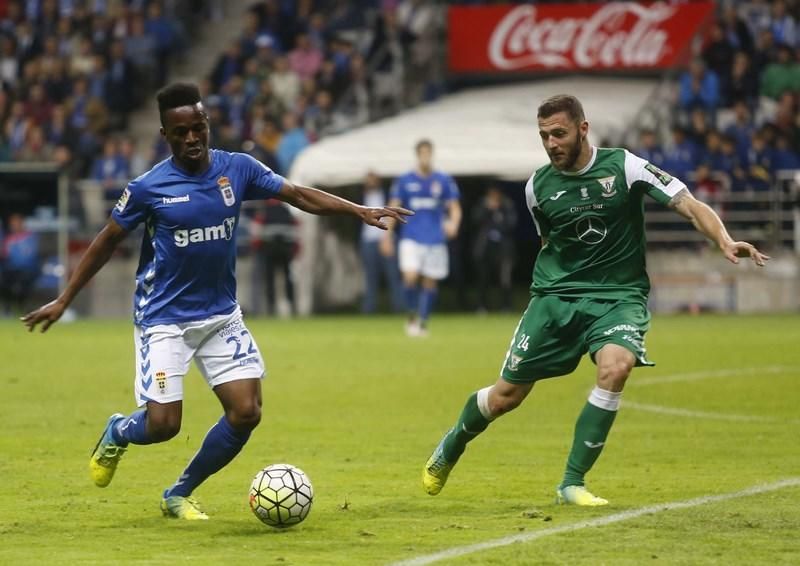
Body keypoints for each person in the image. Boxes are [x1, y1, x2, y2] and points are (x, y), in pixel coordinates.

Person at [21, 83, 411, 520]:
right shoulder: (148, 188)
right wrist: (64, 298)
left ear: (208, 125)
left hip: (221, 316)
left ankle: (178, 493)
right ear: (167, 136)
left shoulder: (237, 169)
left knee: (247, 412)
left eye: (199, 127)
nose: (192, 138)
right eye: (181, 131)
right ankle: (118, 430)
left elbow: (297, 194)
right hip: (163, 319)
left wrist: (356, 210)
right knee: (164, 426)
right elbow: (106, 241)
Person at [421, 94, 768, 506]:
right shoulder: (537, 187)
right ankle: (453, 443)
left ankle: (571, 482)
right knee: (505, 397)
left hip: (618, 297)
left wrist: (724, 240)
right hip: (556, 297)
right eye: (544, 136)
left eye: (559, 133)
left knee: (616, 367)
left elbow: (687, 204)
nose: (551, 143)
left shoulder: (625, 166)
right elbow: (548, 240)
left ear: (583, 129)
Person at [382, 139, 461, 336]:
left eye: (428, 153)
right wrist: (387, 235)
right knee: (410, 276)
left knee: (430, 282)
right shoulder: (405, 180)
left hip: (435, 238)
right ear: (417, 155)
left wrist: (453, 223)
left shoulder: (443, 180)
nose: (425, 157)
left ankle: (423, 322)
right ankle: (411, 315)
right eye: (422, 153)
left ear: (431, 154)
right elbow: (393, 207)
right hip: (411, 236)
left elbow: (455, 208)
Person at [359, 171, 404, 314]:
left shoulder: (387, 195)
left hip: (386, 239)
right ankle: (369, 309)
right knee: (370, 277)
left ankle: (398, 307)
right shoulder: (360, 197)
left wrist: (390, 238)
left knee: (393, 275)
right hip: (368, 241)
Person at [471, 185, 517, 312]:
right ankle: (481, 306)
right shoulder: (482, 205)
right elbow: (475, 220)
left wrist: (499, 214)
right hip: (485, 247)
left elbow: (512, 224)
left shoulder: (507, 205)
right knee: (483, 278)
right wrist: (488, 209)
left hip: (503, 247)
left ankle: (506, 306)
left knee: (505, 278)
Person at [251, 199, 298, 316]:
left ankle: (271, 307)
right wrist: (295, 248)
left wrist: (257, 248)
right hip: (285, 250)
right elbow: (296, 230)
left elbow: (257, 232)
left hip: (269, 250)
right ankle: (291, 306)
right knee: (287, 278)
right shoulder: (286, 211)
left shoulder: (264, 212)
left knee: (270, 279)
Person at [1, 213, 40, 315]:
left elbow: (31, 255)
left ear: (22, 223)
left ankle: (22, 308)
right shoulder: (8, 239)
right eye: (12, 224)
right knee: (3, 281)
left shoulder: (30, 237)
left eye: (17, 223)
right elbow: (4, 254)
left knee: (22, 284)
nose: (14, 226)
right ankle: (7, 309)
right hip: (10, 270)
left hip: (28, 270)